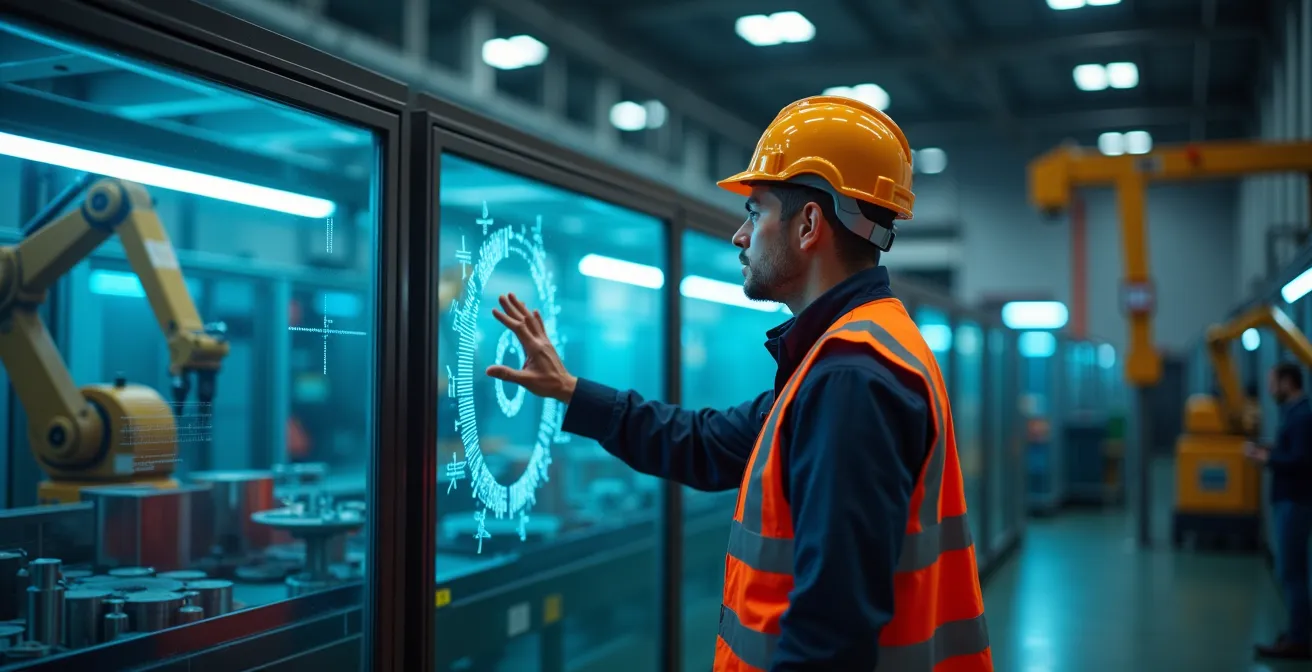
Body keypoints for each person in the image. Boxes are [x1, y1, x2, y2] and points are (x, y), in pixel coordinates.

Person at [487, 96, 992, 671]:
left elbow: (830, 631)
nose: (739, 235)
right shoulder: (848, 353)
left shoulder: (852, 378)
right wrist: (572, 392)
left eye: (755, 211)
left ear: (807, 226)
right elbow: (707, 444)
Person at [1247, 362, 1312, 660]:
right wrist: (1272, 450)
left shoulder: (1301, 416)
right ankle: (1296, 631)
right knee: (1290, 571)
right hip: (1289, 499)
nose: (1271, 389)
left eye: (1274, 383)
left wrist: (1266, 458)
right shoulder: (1295, 414)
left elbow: (1300, 460)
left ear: (1288, 382)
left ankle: (1299, 639)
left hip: (1294, 501)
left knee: (1291, 572)